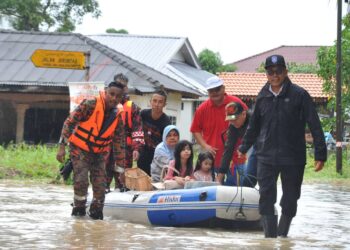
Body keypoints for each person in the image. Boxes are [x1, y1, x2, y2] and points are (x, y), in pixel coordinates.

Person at [238, 55, 327, 238]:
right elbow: (253, 126)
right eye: (271, 72)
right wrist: (242, 149)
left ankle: (283, 236)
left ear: (285, 72)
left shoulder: (299, 95)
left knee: (290, 198)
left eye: (279, 71)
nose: (275, 75)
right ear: (267, 74)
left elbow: (315, 124)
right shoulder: (262, 96)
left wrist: (321, 154)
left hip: (293, 157)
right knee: (266, 198)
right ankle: (270, 240)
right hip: (266, 156)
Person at [56, 81, 125, 220]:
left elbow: (119, 143)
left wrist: (121, 170)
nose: (113, 98)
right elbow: (69, 122)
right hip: (80, 149)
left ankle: (96, 216)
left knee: (100, 187)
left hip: (99, 153)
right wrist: (62, 146)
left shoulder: (118, 116)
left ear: (121, 98)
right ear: (105, 92)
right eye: (111, 94)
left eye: (117, 96)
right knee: (81, 181)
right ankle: (78, 212)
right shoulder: (90, 104)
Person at [190, 76, 248, 172]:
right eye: (211, 90)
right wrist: (205, 146)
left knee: (236, 187)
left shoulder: (236, 103)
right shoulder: (202, 109)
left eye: (217, 89)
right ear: (208, 92)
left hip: (235, 160)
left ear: (223, 88)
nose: (214, 92)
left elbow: (249, 122)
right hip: (211, 161)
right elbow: (195, 130)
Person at [105, 73, 143, 192]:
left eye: (123, 86)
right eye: (118, 85)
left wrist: (136, 148)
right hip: (105, 147)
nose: (120, 88)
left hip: (125, 150)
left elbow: (137, 129)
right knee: (101, 180)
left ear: (126, 88)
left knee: (122, 182)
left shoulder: (132, 107)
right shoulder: (104, 104)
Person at [216, 102, 257, 187]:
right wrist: (220, 177)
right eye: (230, 120)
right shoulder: (233, 126)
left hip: (262, 148)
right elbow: (228, 149)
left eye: (235, 119)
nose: (232, 122)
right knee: (246, 182)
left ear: (244, 114)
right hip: (246, 152)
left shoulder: (255, 120)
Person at [137, 89, 171, 175]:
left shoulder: (166, 121)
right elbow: (136, 130)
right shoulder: (143, 114)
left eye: (160, 102)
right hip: (142, 153)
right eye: (154, 101)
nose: (157, 104)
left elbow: (167, 141)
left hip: (157, 156)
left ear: (164, 104)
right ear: (150, 102)